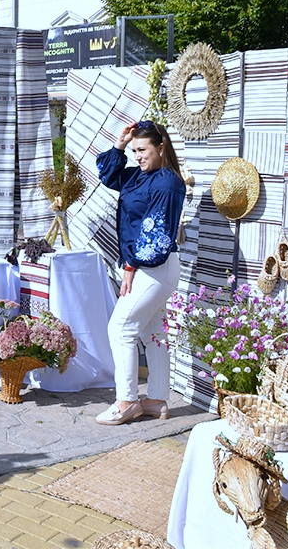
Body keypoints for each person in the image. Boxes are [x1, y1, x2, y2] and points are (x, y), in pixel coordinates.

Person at [95, 119, 186, 425]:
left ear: (161, 147)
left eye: (142, 150)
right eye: (134, 151)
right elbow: (108, 175)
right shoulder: (138, 177)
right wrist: (119, 144)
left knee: (120, 328)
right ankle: (157, 400)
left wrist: (131, 267)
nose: (138, 156)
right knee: (153, 333)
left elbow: (156, 232)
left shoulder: (168, 183)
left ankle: (127, 401)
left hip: (154, 266)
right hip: (151, 267)